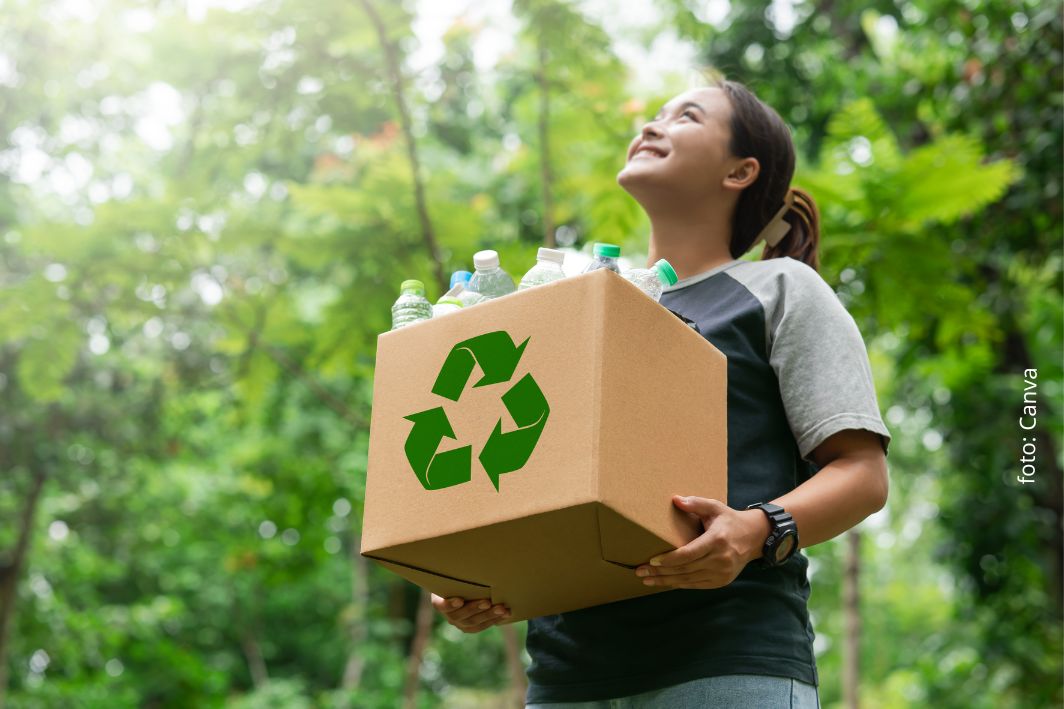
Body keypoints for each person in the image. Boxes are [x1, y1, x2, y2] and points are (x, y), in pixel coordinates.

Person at [430, 75, 892, 709]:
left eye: (686, 117)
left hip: (726, 663)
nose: (650, 126)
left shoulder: (777, 289)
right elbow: (528, 476)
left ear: (740, 171)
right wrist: (476, 574)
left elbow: (863, 473)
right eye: (651, 116)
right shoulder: (575, 309)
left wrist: (756, 531)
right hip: (566, 679)